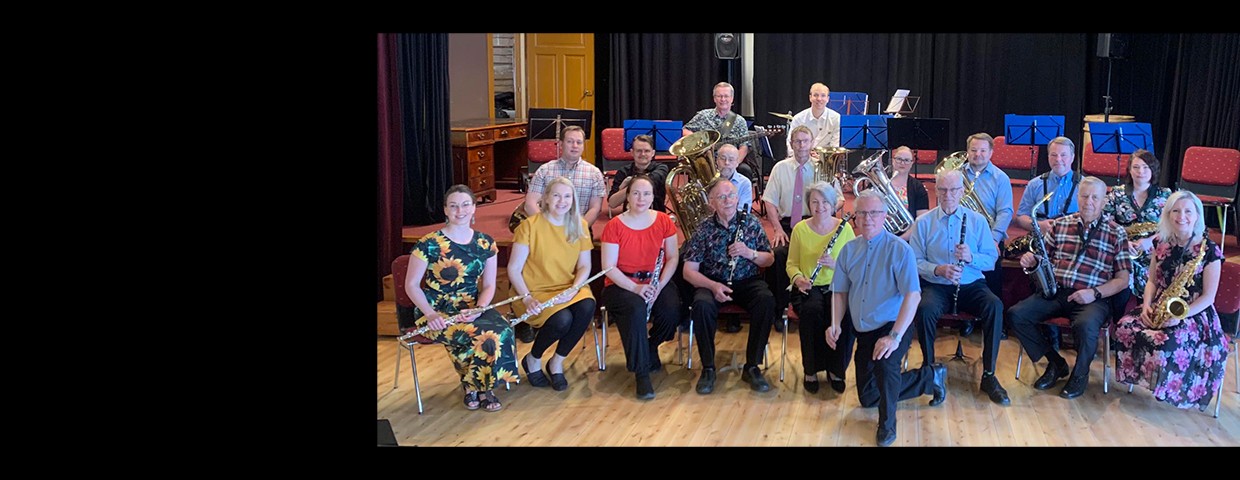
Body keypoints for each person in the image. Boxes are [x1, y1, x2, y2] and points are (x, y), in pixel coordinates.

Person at [829, 190, 947, 447]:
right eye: (862, 213)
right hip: (864, 330)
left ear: (885, 216)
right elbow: (840, 291)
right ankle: (929, 378)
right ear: (855, 217)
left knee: (886, 367)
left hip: (894, 325)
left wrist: (894, 337)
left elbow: (913, 296)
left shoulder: (900, 250)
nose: (867, 218)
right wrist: (835, 323)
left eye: (874, 213)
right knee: (868, 397)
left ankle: (887, 425)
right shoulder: (848, 250)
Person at [1009, 176, 1133, 399]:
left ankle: (1080, 375)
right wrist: (1033, 260)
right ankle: (1056, 363)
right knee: (1016, 315)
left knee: (1086, 326)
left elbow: (1123, 279)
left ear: (1104, 201)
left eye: (1095, 197)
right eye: (1084, 196)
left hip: (1093, 297)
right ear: (1077, 197)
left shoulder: (1117, 233)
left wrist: (1094, 293)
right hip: (1058, 291)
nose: (1089, 202)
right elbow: (1044, 260)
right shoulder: (1060, 225)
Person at [402, 185, 517, 412]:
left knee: (503, 330)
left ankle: (478, 386)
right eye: (453, 206)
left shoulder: (486, 243)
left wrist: (479, 308)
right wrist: (430, 314)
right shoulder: (429, 243)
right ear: (445, 210)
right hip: (435, 311)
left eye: (465, 205)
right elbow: (411, 285)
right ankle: (479, 388)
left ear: (474, 208)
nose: (460, 211)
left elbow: (489, 285)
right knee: (480, 335)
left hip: (472, 307)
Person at [1113, 190, 1227, 410]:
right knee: (1125, 326)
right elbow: (1152, 281)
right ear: (1167, 214)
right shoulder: (1161, 242)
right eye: (1176, 211)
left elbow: (1208, 297)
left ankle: (1168, 389)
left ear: (1197, 215)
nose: (1181, 216)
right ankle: (1142, 379)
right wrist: (1146, 306)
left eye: (1187, 211)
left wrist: (1180, 316)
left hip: (1194, 312)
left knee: (1168, 341)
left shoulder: (1210, 251)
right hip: (1160, 304)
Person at [909, 169, 1010, 405]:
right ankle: (930, 370)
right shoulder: (923, 223)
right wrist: (938, 269)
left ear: (962, 191)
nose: (948, 195)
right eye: (943, 190)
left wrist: (971, 257)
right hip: (938, 285)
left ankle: (989, 374)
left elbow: (991, 260)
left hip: (971, 283)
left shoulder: (977, 221)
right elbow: (914, 261)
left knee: (995, 306)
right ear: (936, 191)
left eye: (954, 190)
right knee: (925, 309)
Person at [682, 178, 776, 394]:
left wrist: (749, 253)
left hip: (747, 281)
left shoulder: (750, 223)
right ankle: (708, 368)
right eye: (721, 197)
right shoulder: (703, 228)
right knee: (702, 305)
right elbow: (688, 271)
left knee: (766, 301)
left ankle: (752, 366)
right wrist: (713, 286)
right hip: (713, 282)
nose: (728, 201)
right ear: (712, 202)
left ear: (738, 198)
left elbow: (769, 259)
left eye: (731, 195)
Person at [509, 176, 598, 392]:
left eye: (567, 196)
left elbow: (584, 266)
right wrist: (527, 298)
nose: (562, 201)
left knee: (587, 305)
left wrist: (574, 289)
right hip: (532, 292)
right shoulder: (529, 226)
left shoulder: (580, 225)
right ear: (546, 198)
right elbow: (513, 268)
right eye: (556, 195)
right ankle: (533, 359)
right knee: (562, 319)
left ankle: (557, 361)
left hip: (569, 287)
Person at [518, 125, 605, 343]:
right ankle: (530, 316)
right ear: (561, 144)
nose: (574, 145)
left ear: (583, 145)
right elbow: (530, 203)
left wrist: (576, 228)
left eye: (579, 142)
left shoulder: (593, 173)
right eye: (570, 141)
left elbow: (595, 208)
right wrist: (548, 227)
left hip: (577, 229)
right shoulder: (545, 170)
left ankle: (572, 311)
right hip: (545, 229)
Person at [600, 175, 681, 400]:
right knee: (635, 310)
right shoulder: (614, 226)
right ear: (627, 196)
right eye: (636, 193)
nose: (641, 198)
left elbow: (673, 257)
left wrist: (659, 285)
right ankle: (641, 373)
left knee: (672, 310)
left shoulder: (664, 221)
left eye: (646, 194)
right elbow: (608, 267)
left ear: (653, 197)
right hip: (621, 284)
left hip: (656, 281)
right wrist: (636, 288)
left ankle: (650, 345)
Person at [786, 181, 855, 394]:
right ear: (809, 204)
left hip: (838, 285)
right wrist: (798, 279)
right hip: (809, 286)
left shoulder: (845, 229)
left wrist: (835, 265)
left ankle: (836, 370)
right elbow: (791, 264)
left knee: (844, 316)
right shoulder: (800, 229)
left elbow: (854, 264)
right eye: (815, 202)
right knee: (811, 311)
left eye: (825, 202)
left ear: (833, 205)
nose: (820, 207)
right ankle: (811, 370)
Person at [760, 125, 817, 328]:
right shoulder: (780, 168)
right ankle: (779, 309)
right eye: (797, 141)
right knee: (778, 254)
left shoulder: (821, 167)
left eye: (805, 141)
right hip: (786, 224)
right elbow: (769, 201)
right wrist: (777, 229)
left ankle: (806, 305)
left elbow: (837, 200)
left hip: (812, 224)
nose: (801, 145)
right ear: (791, 144)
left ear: (812, 143)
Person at [1101, 149, 1172, 301]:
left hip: (1154, 247)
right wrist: (1124, 242)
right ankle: (1117, 310)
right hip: (1122, 246)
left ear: (1153, 170)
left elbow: (1172, 226)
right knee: (1122, 269)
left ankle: (1147, 306)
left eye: (1146, 167)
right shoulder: (1116, 193)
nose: (1141, 171)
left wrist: (1150, 241)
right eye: (1136, 167)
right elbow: (1104, 221)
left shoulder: (1165, 194)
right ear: (1129, 170)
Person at [1015, 136, 1081, 233]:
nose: (1058, 159)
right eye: (1053, 155)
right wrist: (1039, 226)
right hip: (1042, 235)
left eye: (1063, 155)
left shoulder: (1085, 185)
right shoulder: (1034, 184)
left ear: (1072, 157)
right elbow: (1021, 217)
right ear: (1048, 157)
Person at [682, 82, 750, 161]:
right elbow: (684, 130)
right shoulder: (703, 115)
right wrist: (700, 142)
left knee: (745, 168)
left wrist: (735, 163)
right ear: (714, 98)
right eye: (719, 96)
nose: (723, 99)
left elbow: (744, 147)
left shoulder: (739, 121)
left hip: (728, 162)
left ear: (732, 98)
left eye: (726, 96)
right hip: (704, 160)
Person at [606, 135, 669, 217]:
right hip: (630, 219)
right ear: (632, 152)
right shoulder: (623, 171)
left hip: (656, 217)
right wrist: (629, 188)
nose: (643, 154)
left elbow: (650, 179)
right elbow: (612, 203)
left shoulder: (661, 168)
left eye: (647, 151)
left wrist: (629, 184)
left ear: (653, 153)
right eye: (639, 151)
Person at [785, 82, 841, 155]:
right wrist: (806, 156)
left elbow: (835, 146)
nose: (819, 99)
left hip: (826, 159)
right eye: (815, 95)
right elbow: (791, 144)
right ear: (810, 98)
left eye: (823, 95)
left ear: (828, 99)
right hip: (802, 158)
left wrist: (820, 157)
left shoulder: (836, 118)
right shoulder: (798, 118)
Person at [888, 146, 931, 240]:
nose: (902, 163)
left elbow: (921, 221)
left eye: (907, 160)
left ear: (912, 163)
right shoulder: (881, 183)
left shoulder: (918, 187)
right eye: (899, 159)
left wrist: (900, 240)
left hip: (907, 239)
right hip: (880, 236)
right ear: (893, 160)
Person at [715, 143, 754, 215]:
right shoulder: (709, 182)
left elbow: (742, 212)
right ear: (717, 161)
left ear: (737, 163)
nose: (726, 163)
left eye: (731, 159)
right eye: (723, 158)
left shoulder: (745, 183)